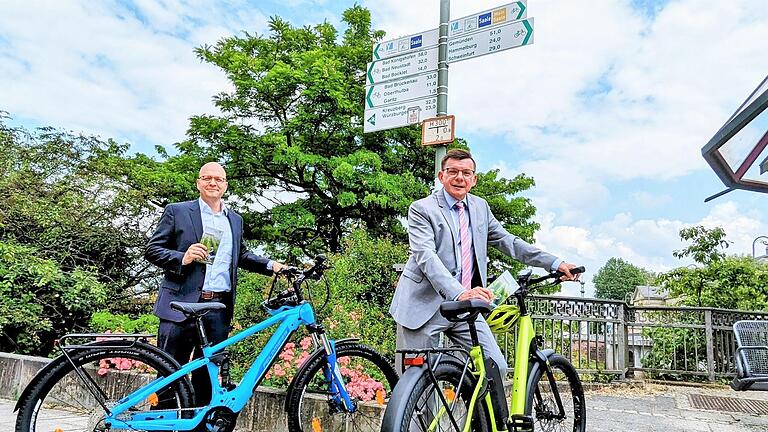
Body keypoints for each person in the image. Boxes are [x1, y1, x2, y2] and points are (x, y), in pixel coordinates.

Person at [389, 149, 578, 429]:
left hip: (467, 307)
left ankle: (476, 425)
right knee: (420, 385)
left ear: (474, 179)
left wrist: (554, 262)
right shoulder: (422, 209)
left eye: (466, 173)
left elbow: (509, 242)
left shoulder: (480, 208)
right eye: (452, 172)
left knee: (494, 366)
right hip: (423, 307)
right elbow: (425, 256)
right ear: (442, 176)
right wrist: (459, 291)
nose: (459, 178)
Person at [145, 162, 285, 406]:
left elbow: (241, 256)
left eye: (218, 179)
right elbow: (153, 250)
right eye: (207, 178)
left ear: (226, 185)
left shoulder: (235, 220)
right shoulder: (177, 211)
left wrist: (271, 265)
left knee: (207, 378)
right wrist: (183, 257)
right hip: (179, 306)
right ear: (198, 182)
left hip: (217, 309)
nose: (213, 183)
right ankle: (160, 425)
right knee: (168, 375)